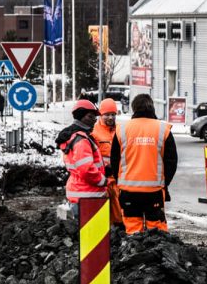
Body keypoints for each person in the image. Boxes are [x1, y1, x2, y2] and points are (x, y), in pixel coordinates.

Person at [110, 93, 177, 234]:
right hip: (154, 191)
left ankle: (135, 253)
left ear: (134, 108)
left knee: (133, 229)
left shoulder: (122, 129)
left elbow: (114, 160)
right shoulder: (162, 129)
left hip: (128, 191)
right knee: (157, 230)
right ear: (152, 107)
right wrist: (165, 183)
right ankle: (157, 254)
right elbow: (171, 161)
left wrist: (119, 181)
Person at [55, 99, 107, 222]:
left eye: (95, 116)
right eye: (91, 116)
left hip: (80, 192)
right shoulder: (81, 139)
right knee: (93, 238)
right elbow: (86, 169)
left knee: (82, 237)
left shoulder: (74, 136)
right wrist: (103, 180)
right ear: (80, 116)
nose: (94, 119)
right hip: (89, 195)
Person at [91, 97, 123, 227]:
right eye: (107, 115)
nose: (110, 118)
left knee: (120, 212)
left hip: (119, 178)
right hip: (103, 179)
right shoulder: (94, 132)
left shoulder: (120, 130)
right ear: (100, 115)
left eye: (113, 114)